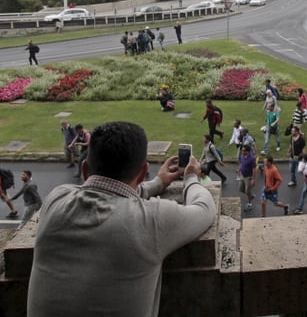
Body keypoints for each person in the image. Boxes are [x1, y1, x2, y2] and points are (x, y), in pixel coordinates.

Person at [27, 121, 215, 317]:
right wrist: (191, 178)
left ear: (85, 170)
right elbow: (204, 208)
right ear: (142, 173)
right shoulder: (151, 220)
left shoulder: (55, 200)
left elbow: (105, 191)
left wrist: (158, 183)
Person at [237, 144, 257, 212]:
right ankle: (251, 195)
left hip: (249, 177)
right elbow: (241, 164)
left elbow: (254, 169)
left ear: (247, 151)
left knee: (247, 191)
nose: (242, 152)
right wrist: (239, 170)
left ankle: (250, 204)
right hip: (242, 175)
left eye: (243, 151)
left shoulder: (252, 158)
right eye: (242, 150)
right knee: (241, 189)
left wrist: (253, 179)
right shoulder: (242, 156)